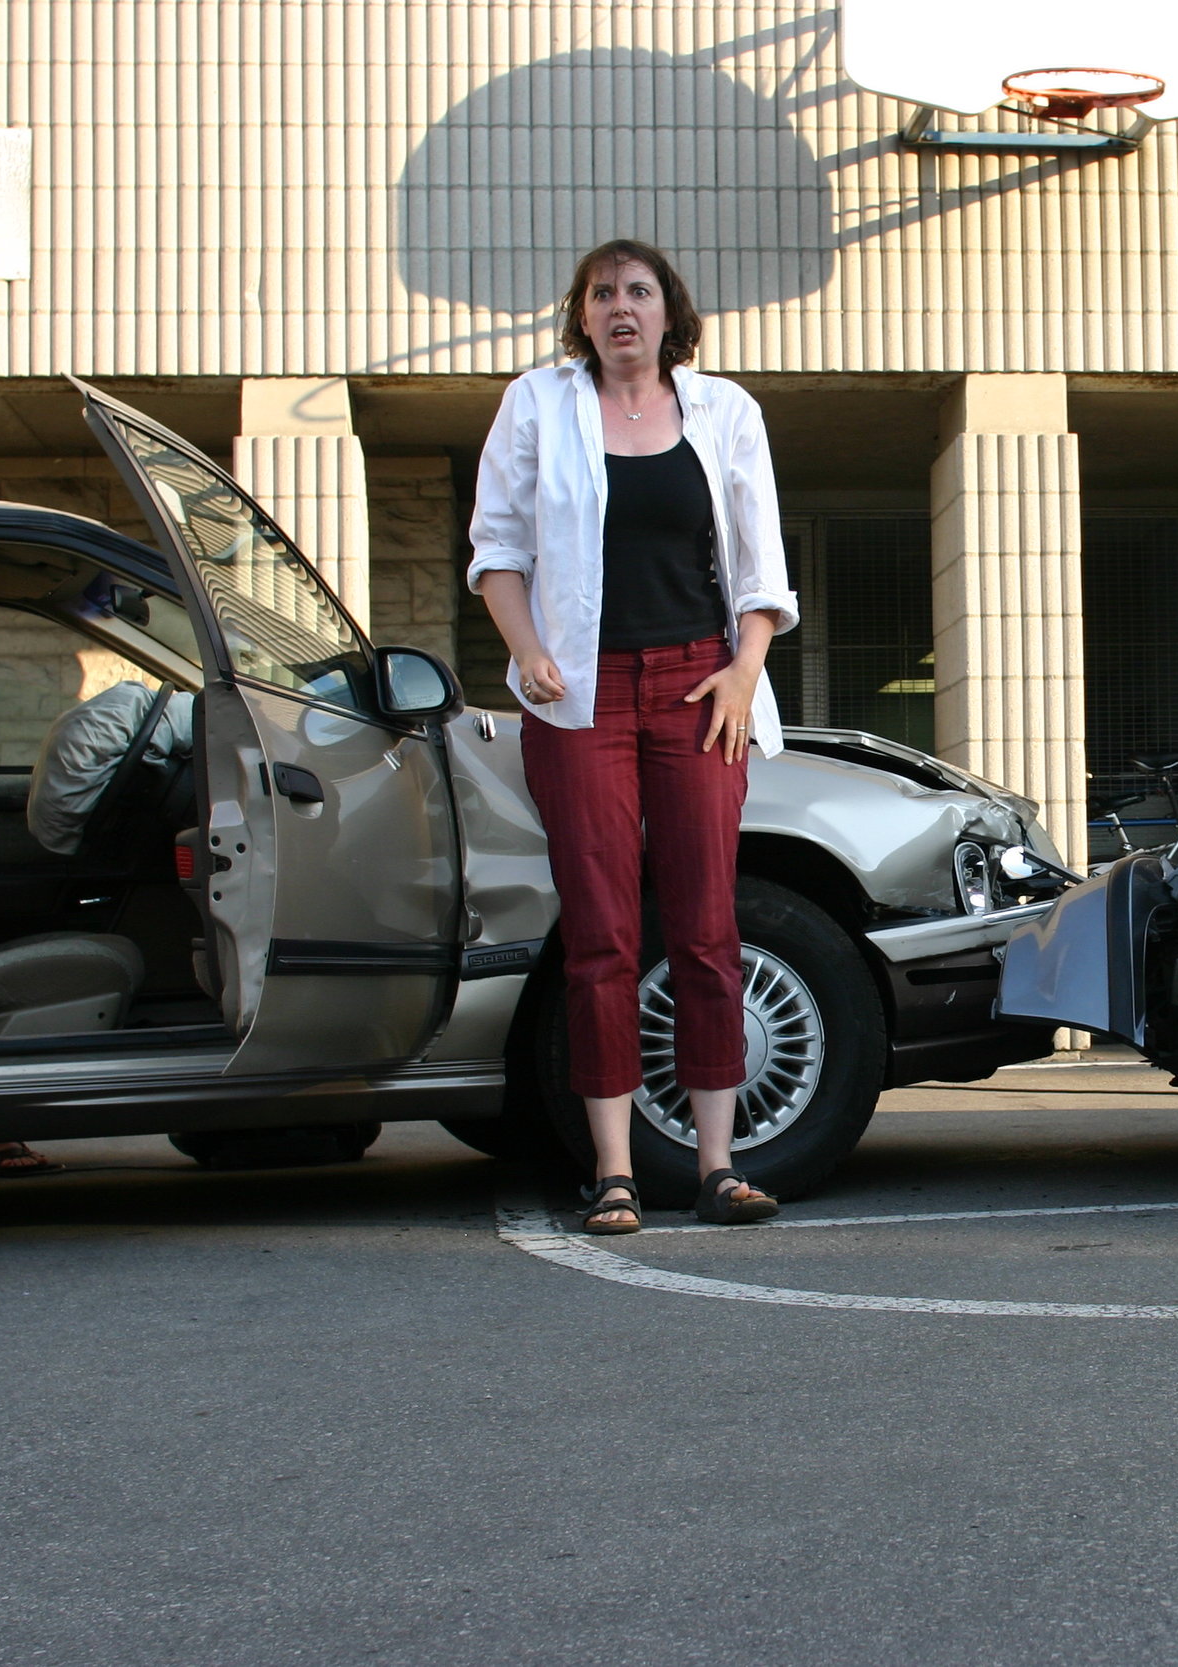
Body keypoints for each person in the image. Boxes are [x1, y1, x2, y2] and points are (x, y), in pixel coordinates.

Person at [468, 239, 797, 1233]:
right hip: (581, 691)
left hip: (700, 686)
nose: (621, 308)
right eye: (603, 294)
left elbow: (761, 568)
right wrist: (527, 652)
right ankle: (612, 1168)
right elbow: (496, 549)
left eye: (639, 292)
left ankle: (716, 1163)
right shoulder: (537, 403)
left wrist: (745, 671)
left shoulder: (725, 411)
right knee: (602, 931)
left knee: (705, 925)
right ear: (583, 315)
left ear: (667, 312)